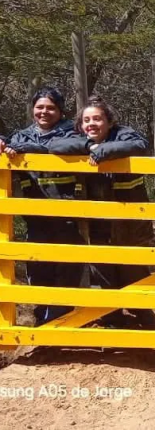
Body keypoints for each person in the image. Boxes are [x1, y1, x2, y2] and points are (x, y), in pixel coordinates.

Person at [49, 96, 155, 328]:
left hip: (128, 219)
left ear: (109, 121)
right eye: (86, 120)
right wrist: (89, 147)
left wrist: (105, 150)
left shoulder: (124, 134)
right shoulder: (78, 139)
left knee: (132, 267)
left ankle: (143, 314)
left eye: (97, 119)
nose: (91, 124)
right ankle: (112, 318)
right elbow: (54, 146)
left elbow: (139, 145)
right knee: (101, 269)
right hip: (95, 219)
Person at [0, 87, 85, 326]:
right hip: (35, 216)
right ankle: (42, 322)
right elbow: (7, 147)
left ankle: (65, 321)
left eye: (50, 107)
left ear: (60, 110)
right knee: (38, 268)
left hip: (67, 213)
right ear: (32, 109)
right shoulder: (21, 135)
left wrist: (29, 149)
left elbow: (74, 148)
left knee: (68, 267)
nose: (44, 112)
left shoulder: (72, 133)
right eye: (40, 107)